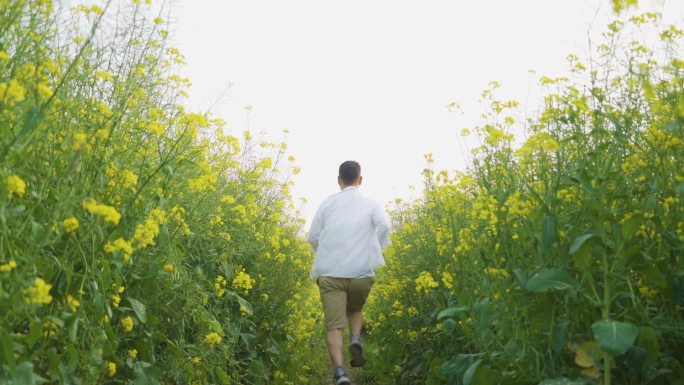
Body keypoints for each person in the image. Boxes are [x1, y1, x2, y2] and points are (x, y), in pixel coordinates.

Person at [307, 160, 391, 385]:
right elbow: (385, 227)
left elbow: (313, 237)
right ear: (360, 179)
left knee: (333, 325)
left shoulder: (327, 204)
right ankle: (355, 338)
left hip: (331, 274)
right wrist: (374, 250)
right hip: (361, 274)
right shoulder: (371, 204)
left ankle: (340, 373)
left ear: (338, 180)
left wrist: (327, 251)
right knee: (355, 308)